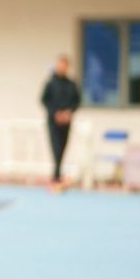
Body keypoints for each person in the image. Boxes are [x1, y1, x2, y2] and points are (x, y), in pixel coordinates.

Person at [41, 55, 81, 189]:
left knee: (63, 147)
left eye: (64, 65)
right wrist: (55, 113)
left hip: (67, 122)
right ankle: (56, 176)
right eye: (60, 65)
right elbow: (44, 100)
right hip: (53, 122)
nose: (62, 68)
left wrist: (69, 112)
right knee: (56, 147)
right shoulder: (50, 83)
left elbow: (77, 101)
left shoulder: (71, 84)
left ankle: (57, 175)